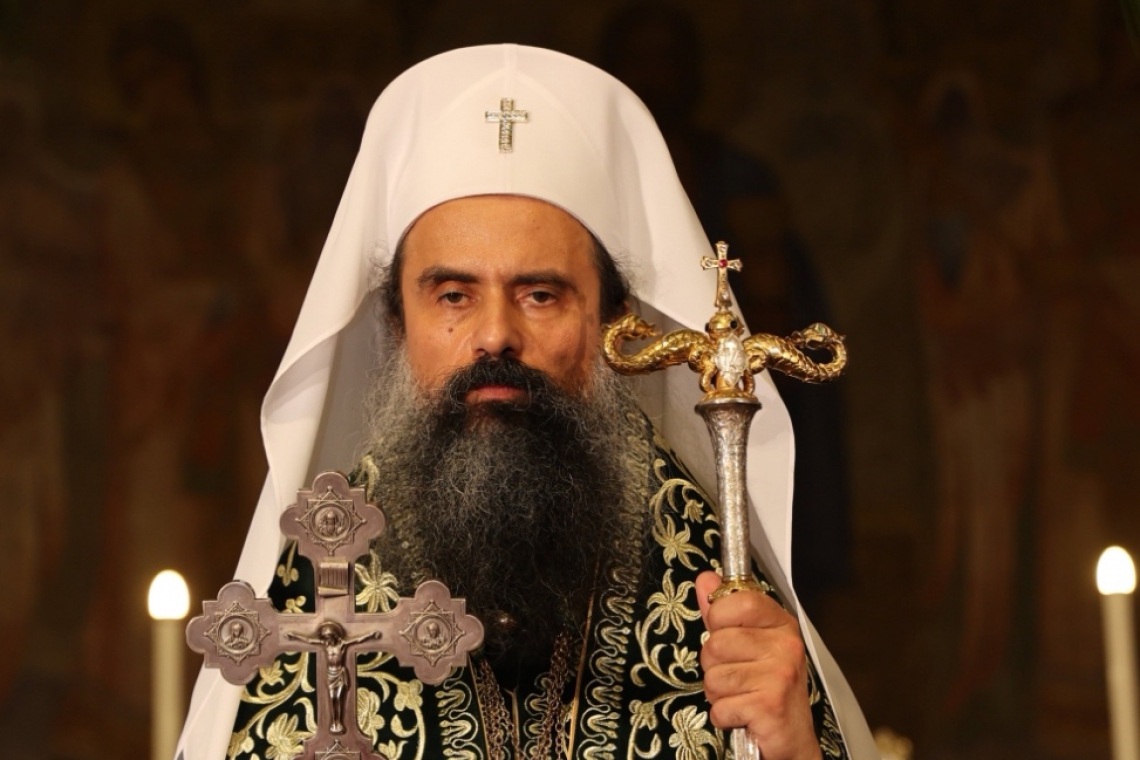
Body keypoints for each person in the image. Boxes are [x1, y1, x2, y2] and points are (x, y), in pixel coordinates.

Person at [176, 45, 876, 760]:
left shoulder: (710, 573)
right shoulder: (321, 574)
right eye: (454, 295)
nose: (495, 335)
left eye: (540, 294)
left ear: (615, 323)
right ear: (397, 324)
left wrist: (793, 749)